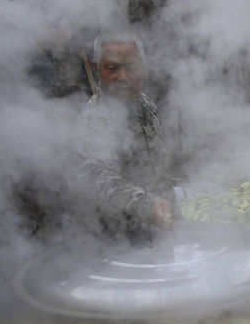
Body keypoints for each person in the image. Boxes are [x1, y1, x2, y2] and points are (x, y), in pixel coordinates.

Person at [75, 33, 176, 239]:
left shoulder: (146, 105)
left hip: (159, 229)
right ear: (97, 69)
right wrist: (148, 206)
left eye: (131, 67)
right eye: (112, 68)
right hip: (117, 239)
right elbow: (99, 180)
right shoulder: (95, 118)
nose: (123, 77)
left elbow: (156, 168)